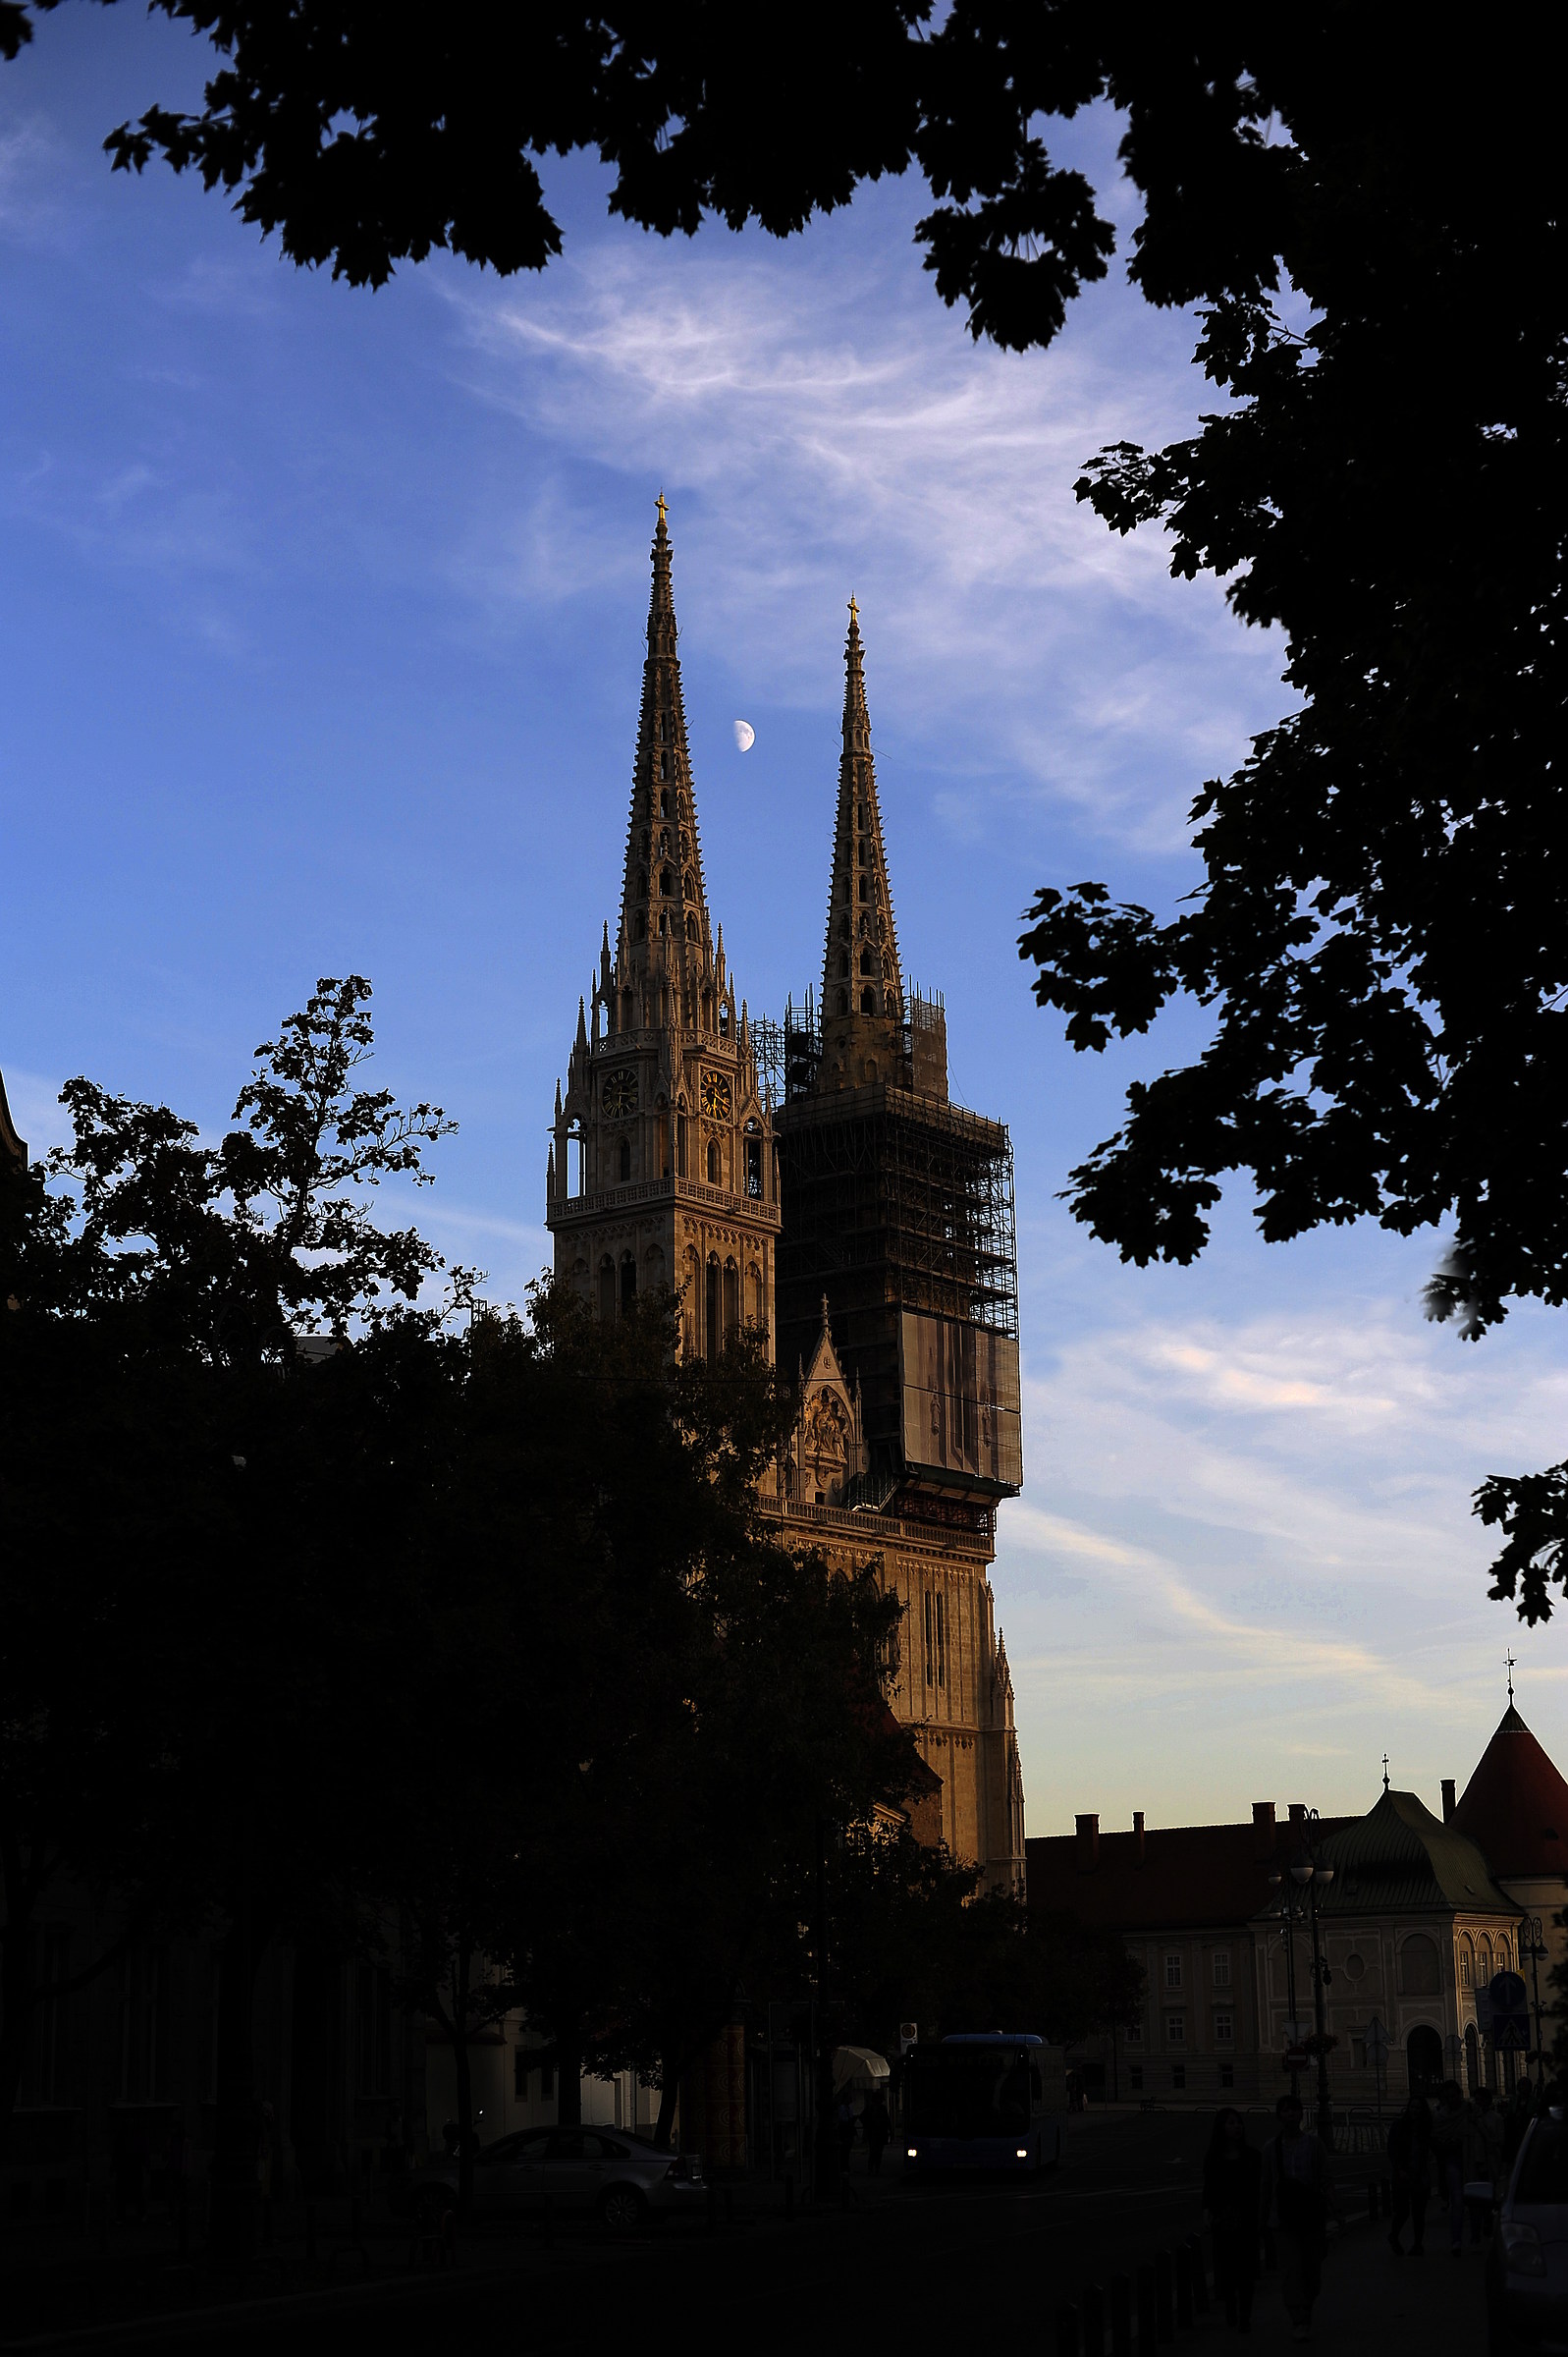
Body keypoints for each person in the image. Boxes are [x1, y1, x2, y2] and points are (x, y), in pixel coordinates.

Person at [1260, 2093, 1332, 2342]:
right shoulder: (1271, 2148)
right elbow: (1266, 2185)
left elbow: (1325, 2178)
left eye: (1294, 2110)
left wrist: (1336, 2212)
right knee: (1291, 2271)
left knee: (1312, 2272)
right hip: (1283, 2219)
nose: (1290, 2114)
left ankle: (1307, 2307)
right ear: (1279, 2116)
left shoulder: (1314, 2144)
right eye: (1285, 2110)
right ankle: (1298, 2317)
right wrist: (1263, 2220)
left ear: (1302, 2114)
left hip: (1311, 2216)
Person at [1203, 2108, 1262, 2332]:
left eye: (1239, 2122)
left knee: (1245, 2271)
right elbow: (1208, 2190)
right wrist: (1207, 2212)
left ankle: (1244, 2315)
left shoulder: (1253, 2156)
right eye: (1231, 2123)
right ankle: (1231, 2306)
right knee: (1227, 2270)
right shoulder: (1214, 2159)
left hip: (1247, 2219)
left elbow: (1260, 2189)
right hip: (1223, 2221)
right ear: (1221, 2128)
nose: (1237, 2126)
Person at [1387, 2092, 1433, 2256]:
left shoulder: (1426, 2128)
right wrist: (1399, 2170)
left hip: (1420, 2175)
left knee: (1419, 2213)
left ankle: (1418, 2244)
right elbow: (1392, 2150)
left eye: (1418, 2108)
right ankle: (1394, 2236)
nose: (1414, 2110)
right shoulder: (1399, 2126)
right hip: (1402, 2175)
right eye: (1412, 2107)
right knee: (1403, 2211)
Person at [1431, 2081, 1472, 2256]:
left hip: (1472, 2159)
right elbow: (1434, 2138)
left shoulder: (1470, 2111)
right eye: (1447, 2097)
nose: (1450, 2100)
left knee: (1475, 2199)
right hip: (1452, 2159)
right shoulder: (1439, 2116)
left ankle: (1476, 2231)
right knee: (1458, 2200)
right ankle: (1456, 2240)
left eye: (1453, 2096)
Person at [862, 2089, 892, 2176]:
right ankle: (872, 2169)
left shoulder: (881, 2108)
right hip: (874, 2133)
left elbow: (887, 2120)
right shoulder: (871, 2108)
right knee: (873, 2152)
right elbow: (863, 2118)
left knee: (878, 2152)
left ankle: (875, 2169)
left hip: (879, 2133)